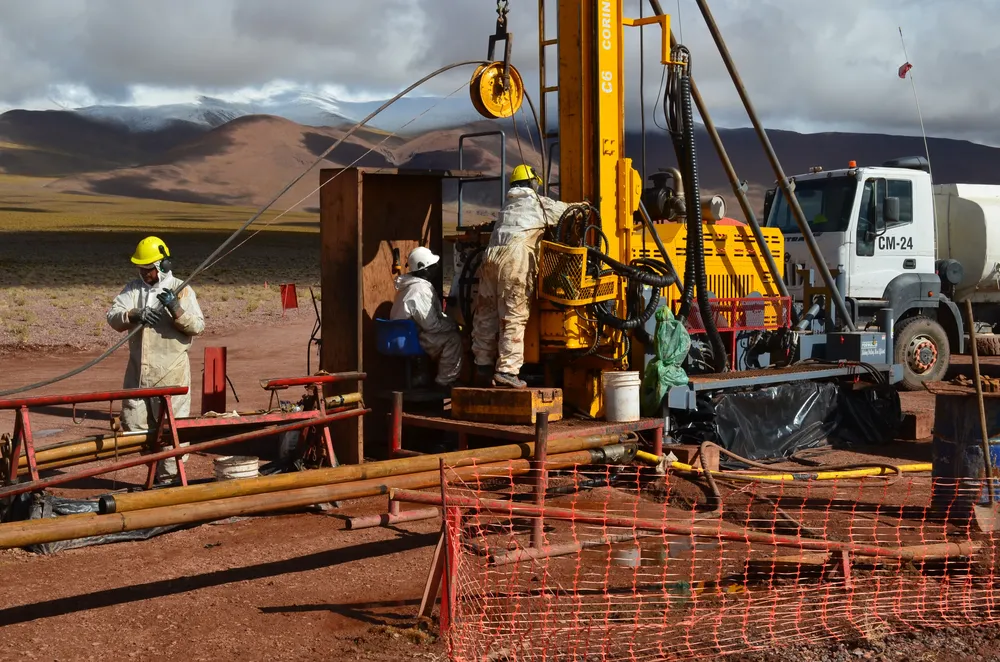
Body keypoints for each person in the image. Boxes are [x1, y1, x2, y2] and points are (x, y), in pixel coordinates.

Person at [106, 236, 205, 483]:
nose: (144, 273)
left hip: (171, 376)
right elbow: (113, 316)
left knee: (172, 432)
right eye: (141, 268)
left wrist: (175, 309)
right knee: (136, 427)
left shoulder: (182, 290)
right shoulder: (133, 290)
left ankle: (169, 482)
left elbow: (197, 326)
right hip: (138, 376)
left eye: (148, 268)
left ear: (163, 265)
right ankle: (155, 475)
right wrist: (134, 314)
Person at [472, 164, 568, 388]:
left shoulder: (507, 207)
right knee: (514, 314)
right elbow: (566, 213)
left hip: (490, 258)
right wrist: (584, 206)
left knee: (486, 313)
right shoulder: (537, 203)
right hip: (514, 260)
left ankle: (482, 366)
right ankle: (507, 371)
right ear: (533, 183)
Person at [390, 246, 463, 388]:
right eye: (432, 266)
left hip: (403, 336)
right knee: (453, 339)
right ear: (423, 269)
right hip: (412, 339)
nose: (436, 268)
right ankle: (445, 382)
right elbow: (432, 326)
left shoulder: (408, 286)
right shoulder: (420, 290)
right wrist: (453, 325)